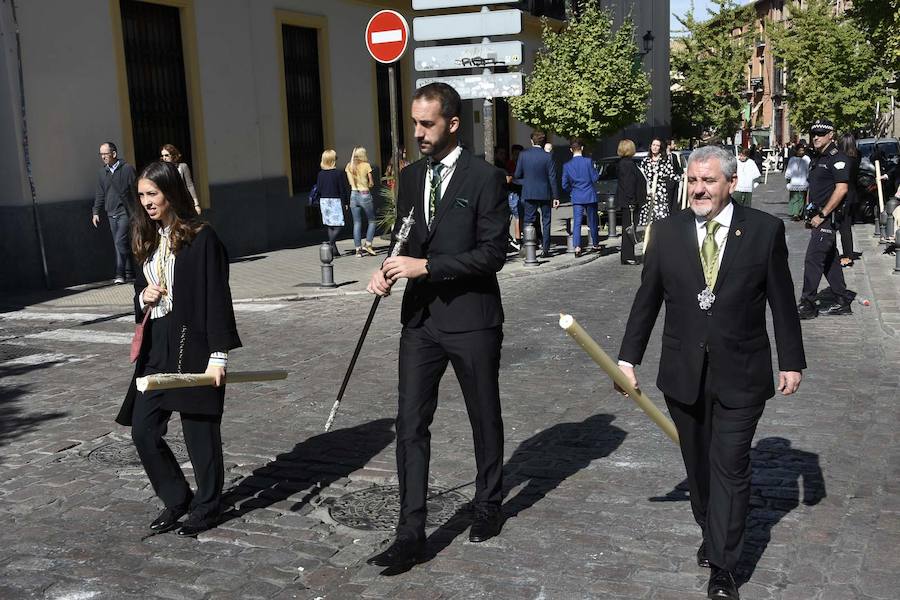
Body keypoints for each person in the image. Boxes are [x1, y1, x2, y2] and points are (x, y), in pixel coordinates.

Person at [617, 145, 806, 600]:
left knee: (730, 465)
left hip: (742, 370)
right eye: (693, 180)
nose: (699, 189)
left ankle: (724, 566)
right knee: (698, 465)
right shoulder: (666, 231)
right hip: (683, 371)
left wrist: (792, 360)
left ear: (731, 184)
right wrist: (627, 359)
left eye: (708, 181)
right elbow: (647, 302)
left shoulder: (764, 230)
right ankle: (710, 526)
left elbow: (781, 299)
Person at [365, 82, 508, 569]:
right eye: (414, 124)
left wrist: (427, 267)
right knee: (409, 423)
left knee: (482, 415)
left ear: (451, 123)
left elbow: (493, 255)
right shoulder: (409, 178)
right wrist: (386, 268)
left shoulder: (484, 178)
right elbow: (404, 239)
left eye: (427, 124)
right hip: (420, 321)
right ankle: (411, 531)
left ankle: (489, 504)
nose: (418, 133)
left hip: (472, 319)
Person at [115, 161, 241, 538]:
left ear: (170, 193)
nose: (147, 202)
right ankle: (177, 497)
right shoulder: (148, 237)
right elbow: (141, 292)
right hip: (157, 342)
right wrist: (143, 295)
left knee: (198, 430)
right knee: (143, 429)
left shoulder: (202, 238)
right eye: (141, 195)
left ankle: (207, 504)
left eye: (152, 194)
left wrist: (219, 355)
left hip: (192, 339)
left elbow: (217, 297)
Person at [797, 118, 853, 319]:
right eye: (814, 134)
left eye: (821, 134)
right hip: (818, 216)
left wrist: (822, 215)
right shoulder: (818, 158)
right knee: (829, 261)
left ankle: (808, 305)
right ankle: (842, 300)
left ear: (831, 135)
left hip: (827, 218)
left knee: (813, 260)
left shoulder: (837, 158)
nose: (816, 137)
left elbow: (842, 189)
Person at [92, 142, 137, 284]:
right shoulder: (102, 172)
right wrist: (96, 211)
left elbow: (135, 190)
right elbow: (100, 193)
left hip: (125, 211)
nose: (103, 157)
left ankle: (119, 273)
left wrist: (139, 211)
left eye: (105, 153)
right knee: (120, 242)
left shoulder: (127, 169)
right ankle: (130, 272)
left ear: (114, 154)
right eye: (101, 154)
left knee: (119, 241)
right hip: (110, 212)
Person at [515, 130, 560, 257]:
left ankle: (528, 248)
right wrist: (556, 196)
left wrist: (526, 182)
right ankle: (545, 249)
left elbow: (517, 175)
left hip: (529, 192)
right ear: (543, 142)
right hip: (544, 192)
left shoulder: (523, 155)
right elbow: (552, 177)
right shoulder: (547, 156)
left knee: (528, 220)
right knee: (546, 221)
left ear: (531, 141)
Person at [561, 137, 600, 256]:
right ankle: (595, 243)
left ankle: (577, 247)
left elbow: (564, 184)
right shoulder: (588, 162)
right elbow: (595, 178)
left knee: (577, 222)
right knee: (592, 221)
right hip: (589, 194)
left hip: (577, 195)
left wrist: (572, 190)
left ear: (571, 150)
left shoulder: (567, 166)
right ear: (582, 148)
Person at [615, 139, 646, 265]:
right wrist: (632, 201)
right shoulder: (627, 164)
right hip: (630, 202)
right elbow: (629, 185)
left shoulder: (625, 163)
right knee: (629, 229)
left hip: (629, 201)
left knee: (629, 228)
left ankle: (628, 254)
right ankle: (627, 255)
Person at [316, 149, 351, 258]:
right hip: (335, 201)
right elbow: (342, 189)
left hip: (324, 201)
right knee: (339, 225)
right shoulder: (338, 173)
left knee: (330, 226)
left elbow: (319, 188)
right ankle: (330, 243)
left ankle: (334, 251)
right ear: (332, 160)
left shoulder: (320, 174)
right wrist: (345, 202)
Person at [345, 146, 377, 257]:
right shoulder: (366, 165)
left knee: (357, 223)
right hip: (364, 194)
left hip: (353, 194)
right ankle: (368, 244)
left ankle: (358, 250)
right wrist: (369, 183)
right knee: (372, 221)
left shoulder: (349, 166)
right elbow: (371, 183)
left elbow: (350, 183)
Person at [639, 137, 675, 226]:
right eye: (653, 145)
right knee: (647, 219)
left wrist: (682, 177)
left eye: (657, 145)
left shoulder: (665, 160)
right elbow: (641, 176)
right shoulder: (645, 161)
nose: (655, 147)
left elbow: (671, 175)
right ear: (650, 146)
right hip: (648, 193)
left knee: (661, 218)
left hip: (660, 193)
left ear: (660, 147)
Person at [837, 134, 860, 267]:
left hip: (845, 194)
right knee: (846, 226)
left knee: (844, 227)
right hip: (853, 194)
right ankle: (848, 253)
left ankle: (847, 255)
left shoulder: (844, 160)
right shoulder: (856, 158)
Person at [160, 144, 200, 214]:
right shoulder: (162, 169)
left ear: (173, 155)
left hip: (182, 201)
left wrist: (196, 204)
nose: (164, 158)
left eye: (166, 155)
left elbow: (190, 185)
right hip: (169, 203)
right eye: (163, 156)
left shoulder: (182, 167)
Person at [785, 144, 811, 221]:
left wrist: (808, 179)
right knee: (794, 198)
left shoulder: (806, 159)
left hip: (803, 182)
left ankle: (801, 213)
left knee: (802, 199)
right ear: (796, 151)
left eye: (803, 150)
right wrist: (788, 180)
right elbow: (789, 170)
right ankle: (795, 213)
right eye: (800, 150)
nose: (801, 152)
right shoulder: (792, 159)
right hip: (794, 182)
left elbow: (809, 170)